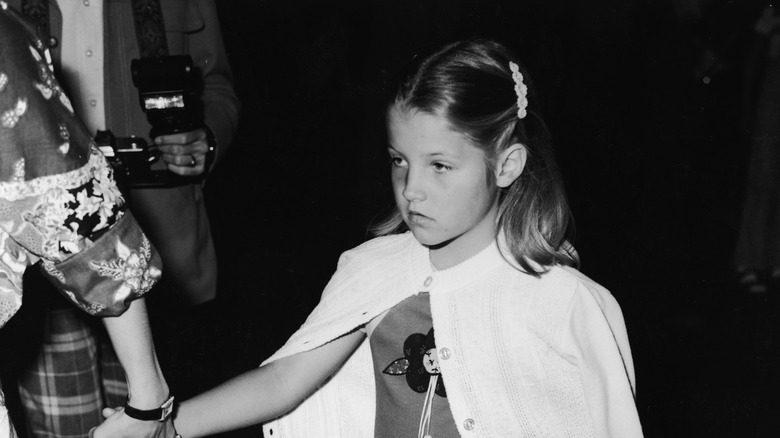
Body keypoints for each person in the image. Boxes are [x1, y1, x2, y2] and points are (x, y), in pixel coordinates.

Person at [103, 37, 643, 437]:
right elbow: (284, 381)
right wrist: (167, 426)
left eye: (440, 166)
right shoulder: (374, 269)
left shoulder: (563, 302)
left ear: (507, 166)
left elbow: (609, 421)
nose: (412, 190)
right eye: (399, 162)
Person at [1, 0, 240, 435]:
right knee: (66, 425)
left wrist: (204, 139)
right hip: (46, 282)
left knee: (169, 418)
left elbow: (217, 85)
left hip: (163, 256)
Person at [733, 2, 780, 294]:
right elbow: (754, 57)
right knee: (761, 181)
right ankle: (748, 260)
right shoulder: (772, 11)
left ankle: (774, 258)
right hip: (772, 97)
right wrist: (747, 105)